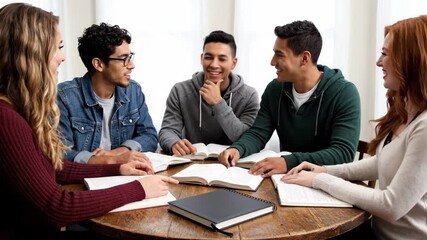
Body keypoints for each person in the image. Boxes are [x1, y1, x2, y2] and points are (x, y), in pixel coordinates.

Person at [0, 3, 178, 239]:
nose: (62, 57)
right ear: (31, 53)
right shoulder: (7, 119)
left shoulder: (17, 111)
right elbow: (56, 207)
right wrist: (139, 188)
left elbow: (52, 167)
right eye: (57, 48)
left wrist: (117, 167)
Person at [283, 15, 427, 240]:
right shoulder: (405, 111)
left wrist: (320, 180)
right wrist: (325, 170)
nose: (379, 62)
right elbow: (381, 163)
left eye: (386, 54)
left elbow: (391, 205)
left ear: (412, 59)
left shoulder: (425, 127)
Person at [218, 20, 361, 177]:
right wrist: (237, 148)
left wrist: (289, 161)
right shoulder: (275, 89)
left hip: (327, 182)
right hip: (288, 180)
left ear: (304, 58)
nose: (272, 62)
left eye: (279, 55)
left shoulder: (344, 93)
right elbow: (258, 133)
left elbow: (343, 153)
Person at [57, 22, 157, 164]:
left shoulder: (133, 91)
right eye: (124, 59)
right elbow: (61, 152)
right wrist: (107, 161)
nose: (131, 65)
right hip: (82, 181)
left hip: (124, 175)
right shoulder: (64, 97)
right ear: (98, 64)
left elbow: (150, 136)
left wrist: (119, 152)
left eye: (130, 57)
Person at [158, 30, 259, 156]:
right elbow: (167, 130)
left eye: (222, 59)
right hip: (191, 160)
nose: (214, 64)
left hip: (233, 164)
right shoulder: (180, 90)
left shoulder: (249, 95)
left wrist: (218, 103)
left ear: (233, 63)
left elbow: (247, 139)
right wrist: (173, 143)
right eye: (208, 57)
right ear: (201, 59)